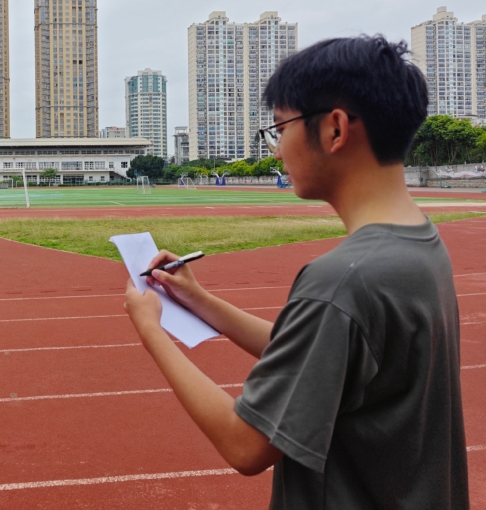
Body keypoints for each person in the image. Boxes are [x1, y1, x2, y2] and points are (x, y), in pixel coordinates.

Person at [123, 36, 469, 509]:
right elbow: (320, 354)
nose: (276, 149)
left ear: (334, 129)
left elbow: (245, 444)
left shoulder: (343, 280)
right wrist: (199, 301)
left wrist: (150, 330)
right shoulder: (418, 243)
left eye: (279, 128)